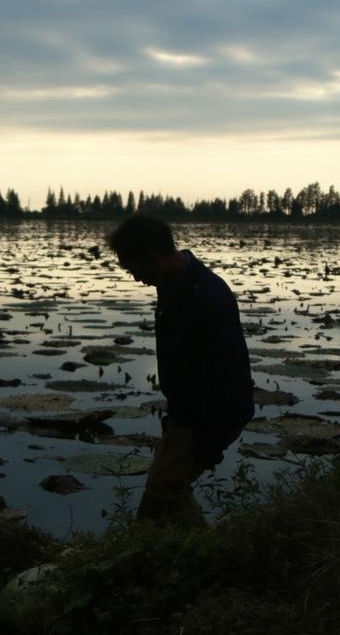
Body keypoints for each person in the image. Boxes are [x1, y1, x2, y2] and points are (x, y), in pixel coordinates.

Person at [107, 214, 254, 525]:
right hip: (187, 412)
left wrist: (202, 439)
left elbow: (223, 377)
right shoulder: (176, 284)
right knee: (159, 485)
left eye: (133, 268)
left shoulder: (206, 296)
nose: (135, 278)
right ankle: (142, 550)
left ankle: (204, 557)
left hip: (211, 413)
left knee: (167, 485)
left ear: (152, 256)